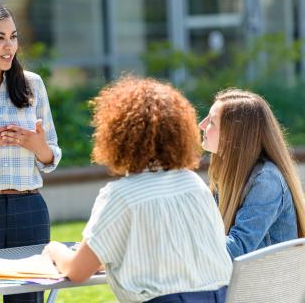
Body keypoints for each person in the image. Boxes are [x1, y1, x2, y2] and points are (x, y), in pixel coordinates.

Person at [44, 76, 232, 303]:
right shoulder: (193, 183)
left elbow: (77, 271)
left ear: (115, 136)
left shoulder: (121, 194)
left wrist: (54, 249)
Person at [0, 0, 61, 303]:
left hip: (28, 210)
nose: (9, 46)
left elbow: (50, 156)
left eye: (13, 36)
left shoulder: (33, 85)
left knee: (29, 299)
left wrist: (39, 147)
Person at [199, 88, 305, 260]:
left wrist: (185, 247)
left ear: (233, 134)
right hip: (242, 283)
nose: (201, 125)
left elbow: (237, 249)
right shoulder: (228, 175)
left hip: (264, 285)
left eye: (211, 121)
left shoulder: (266, 180)